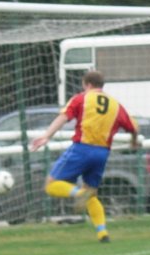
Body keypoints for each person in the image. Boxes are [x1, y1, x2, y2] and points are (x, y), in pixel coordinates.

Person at [30, 70, 139, 242]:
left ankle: (79, 193)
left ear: (86, 84)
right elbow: (134, 127)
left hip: (82, 149)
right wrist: (133, 141)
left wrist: (46, 136)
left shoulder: (82, 98)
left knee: (51, 185)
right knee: (92, 194)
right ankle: (102, 233)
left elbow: (64, 117)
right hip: (102, 154)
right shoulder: (115, 105)